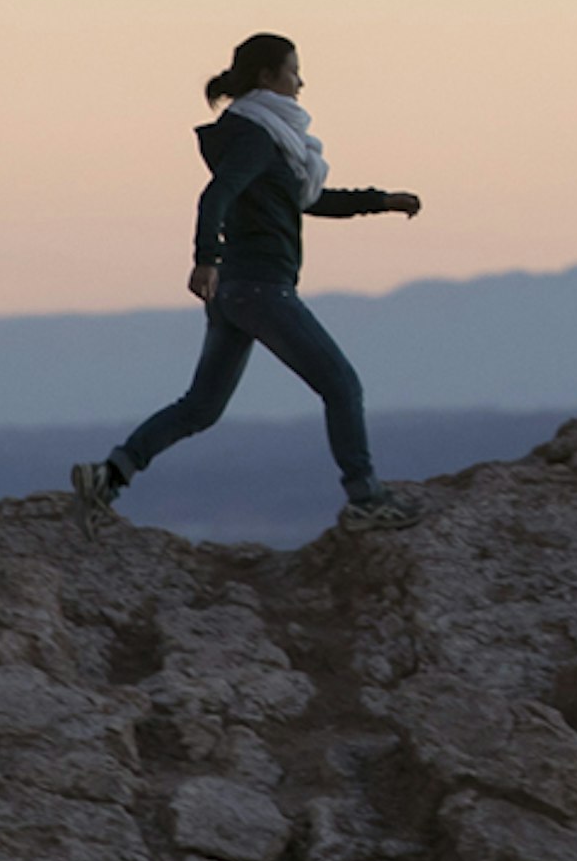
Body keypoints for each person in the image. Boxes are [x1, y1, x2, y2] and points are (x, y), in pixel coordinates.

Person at [72, 32, 425, 533]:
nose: (301, 81)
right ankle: (366, 498)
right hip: (260, 287)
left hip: (237, 292)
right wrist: (204, 259)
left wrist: (380, 200)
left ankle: (109, 475)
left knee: (200, 407)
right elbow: (215, 196)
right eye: (293, 71)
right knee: (341, 385)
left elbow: (305, 200)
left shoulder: (265, 138)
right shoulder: (257, 136)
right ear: (267, 77)